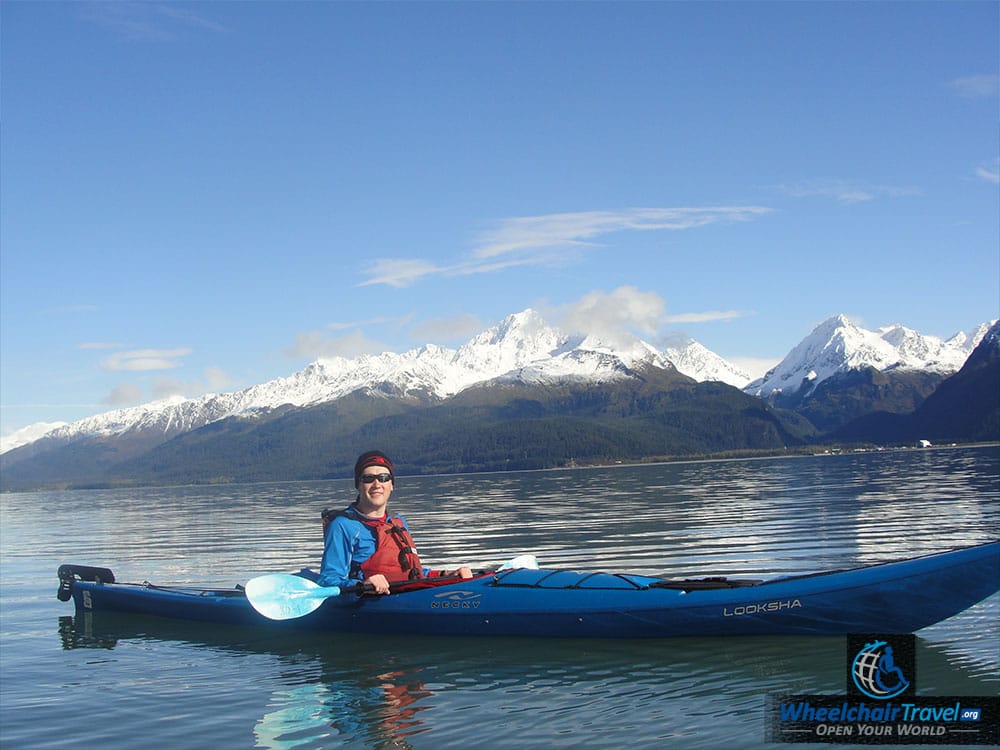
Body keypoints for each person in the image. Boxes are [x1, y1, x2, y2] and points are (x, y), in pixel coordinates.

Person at [318, 450, 473, 594]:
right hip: (370, 603)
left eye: (384, 478)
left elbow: (410, 571)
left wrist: (446, 574)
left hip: (407, 595)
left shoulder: (397, 522)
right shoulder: (342, 525)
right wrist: (362, 584)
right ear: (358, 485)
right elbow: (328, 580)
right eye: (368, 478)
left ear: (391, 485)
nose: (377, 484)